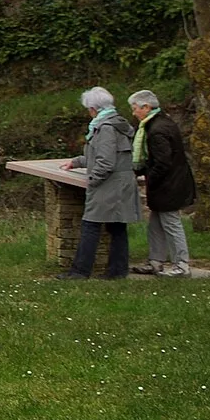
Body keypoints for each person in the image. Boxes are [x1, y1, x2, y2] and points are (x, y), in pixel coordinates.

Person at [58, 86, 141, 280]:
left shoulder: (105, 128)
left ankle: (80, 271)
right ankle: (117, 271)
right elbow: (101, 155)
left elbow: (105, 161)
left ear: (94, 108)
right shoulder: (117, 123)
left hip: (110, 184)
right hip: (121, 182)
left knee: (90, 225)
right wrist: (77, 162)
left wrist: (93, 180)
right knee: (117, 226)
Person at [128, 89, 195, 277]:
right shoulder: (161, 123)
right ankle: (155, 261)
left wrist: (147, 177)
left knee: (172, 224)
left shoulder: (157, 130)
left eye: (135, 109)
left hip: (168, 185)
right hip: (167, 183)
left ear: (146, 107)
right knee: (156, 223)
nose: (134, 113)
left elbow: (162, 162)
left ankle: (182, 264)